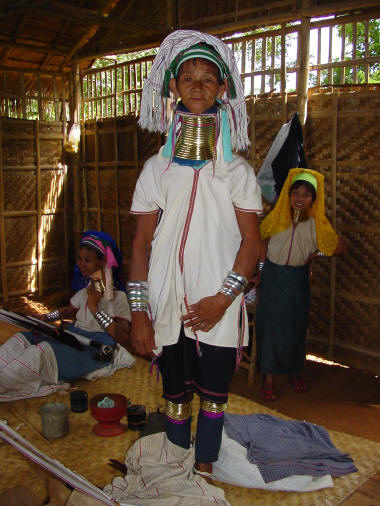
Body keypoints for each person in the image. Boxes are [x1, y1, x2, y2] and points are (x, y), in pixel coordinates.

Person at [127, 30, 262, 481]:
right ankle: (178, 467)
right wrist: (140, 312)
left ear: (223, 90)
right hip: (167, 305)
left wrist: (224, 299)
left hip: (217, 308)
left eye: (209, 78)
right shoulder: (155, 170)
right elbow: (141, 245)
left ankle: (202, 470)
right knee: (175, 395)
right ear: (174, 88)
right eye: (188, 77)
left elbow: (252, 243)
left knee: (214, 397)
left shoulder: (237, 172)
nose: (199, 85)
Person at [0, 231, 135, 401]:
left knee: (39, 353)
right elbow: (66, 311)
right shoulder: (85, 292)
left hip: (94, 350)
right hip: (72, 338)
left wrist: (95, 309)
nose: (81, 264)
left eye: (88, 260)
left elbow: (122, 337)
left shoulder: (118, 298)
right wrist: (47, 318)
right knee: (23, 338)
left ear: (103, 262)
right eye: (79, 259)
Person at [255, 169, 347, 401]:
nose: (299, 198)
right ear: (288, 194)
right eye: (295, 192)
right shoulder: (276, 218)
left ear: (313, 200)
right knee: (271, 328)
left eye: (306, 195)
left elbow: (339, 248)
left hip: (297, 280)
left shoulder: (317, 225)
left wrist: (316, 254)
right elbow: (261, 245)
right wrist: (262, 273)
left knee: (296, 327)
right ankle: (269, 378)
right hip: (273, 279)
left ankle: (295, 372)